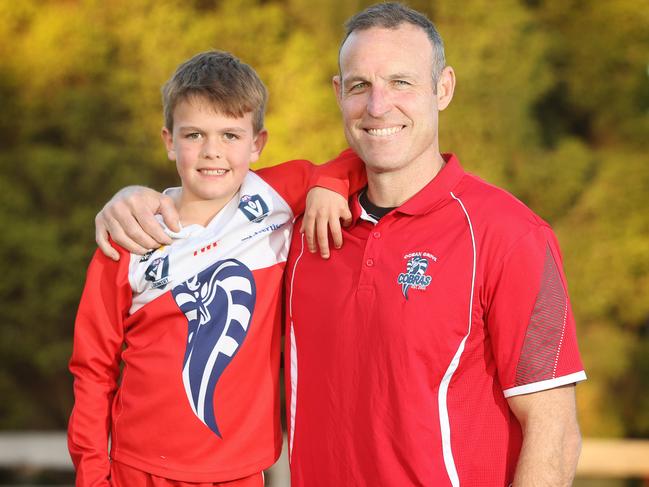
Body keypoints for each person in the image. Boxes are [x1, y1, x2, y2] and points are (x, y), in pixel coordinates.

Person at [95, 4, 586, 486]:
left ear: (443, 88)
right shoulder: (297, 227)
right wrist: (134, 201)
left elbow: (555, 430)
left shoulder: (512, 235)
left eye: (401, 82)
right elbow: (209, 190)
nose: (377, 106)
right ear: (339, 94)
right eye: (360, 86)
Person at [68, 50, 363, 487]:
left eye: (230, 135)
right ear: (169, 140)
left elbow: (361, 158)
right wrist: (93, 477)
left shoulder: (276, 197)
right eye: (194, 136)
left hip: (239, 471)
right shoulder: (130, 235)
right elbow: (93, 367)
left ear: (257, 143)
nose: (212, 152)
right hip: (140, 468)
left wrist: (328, 184)